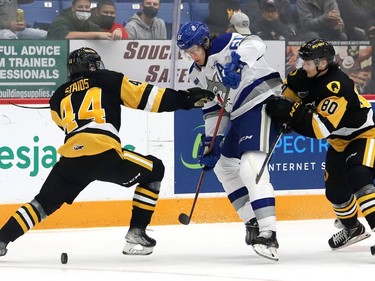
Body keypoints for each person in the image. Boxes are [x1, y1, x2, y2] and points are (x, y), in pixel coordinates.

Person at [0, 47, 214, 257]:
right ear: (93, 67)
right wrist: (185, 99)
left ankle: (2, 238)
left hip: (71, 160)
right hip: (104, 154)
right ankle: (137, 231)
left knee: (42, 203)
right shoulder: (108, 79)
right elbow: (149, 97)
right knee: (155, 169)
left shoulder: (56, 98)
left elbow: (64, 125)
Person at [177, 21, 283, 261]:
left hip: (261, 102)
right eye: (186, 52)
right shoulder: (196, 73)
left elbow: (257, 43)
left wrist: (238, 62)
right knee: (223, 167)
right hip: (238, 114)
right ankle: (253, 222)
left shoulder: (224, 42)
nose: (191, 56)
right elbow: (215, 109)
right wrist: (211, 142)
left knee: (251, 167)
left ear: (205, 42)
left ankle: (269, 234)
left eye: (193, 49)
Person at [265, 38, 375, 254]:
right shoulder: (299, 77)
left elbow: (319, 129)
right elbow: (287, 100)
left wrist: (292, 114)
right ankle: (353, 229)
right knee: (335, 192)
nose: (301, 65)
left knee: (358, 177)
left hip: (364, 135)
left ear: (322, 63)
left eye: (307, 62)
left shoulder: (338, 85)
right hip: (338, 141)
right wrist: (283, 114)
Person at [47, 0, 119, 40]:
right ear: (73, 8)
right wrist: (97, 35)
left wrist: (117, 32)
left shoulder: (88, 23)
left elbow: (102, 33)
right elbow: (67, 35)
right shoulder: (60, 20)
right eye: (80, 7)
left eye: (87, 7)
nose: (84, 10)